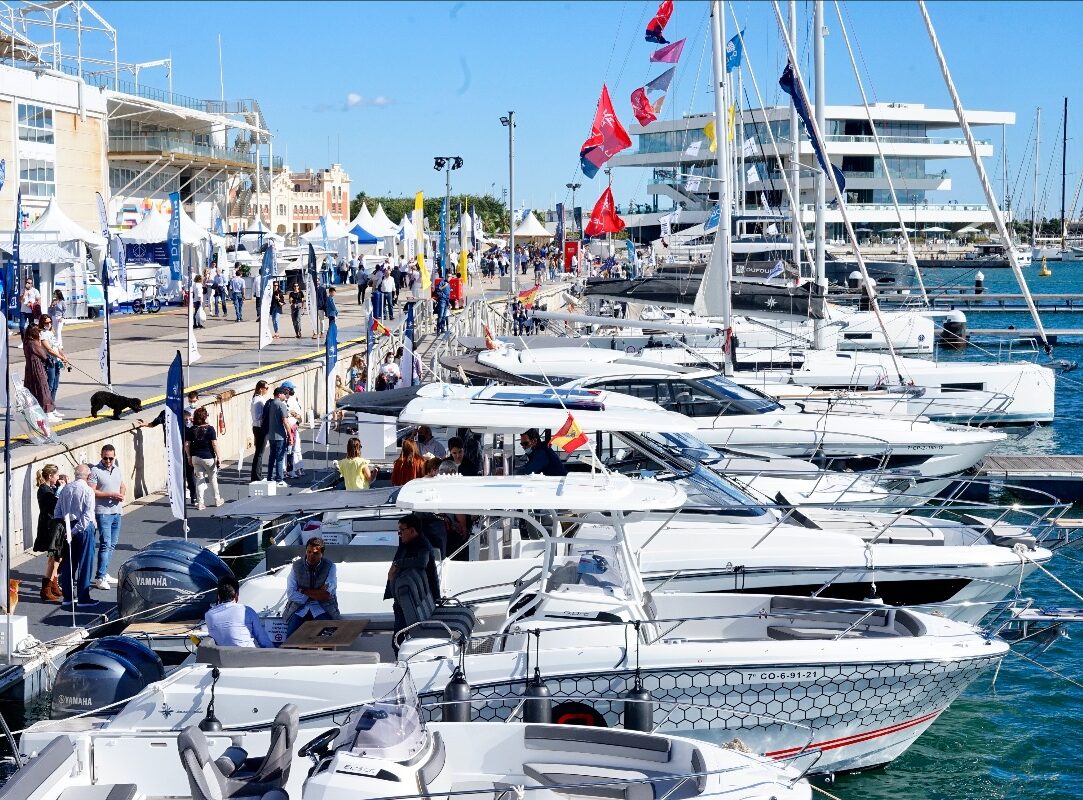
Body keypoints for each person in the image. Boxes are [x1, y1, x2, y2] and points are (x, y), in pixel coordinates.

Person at [384, 514, 440, 649]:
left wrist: (397, 564)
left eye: (401, 530)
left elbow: (422, 562)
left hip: (408, 603)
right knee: (398, 640)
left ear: (412, 530)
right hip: (402, 602)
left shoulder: (422, 544)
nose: (399, 534)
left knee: (397, 641)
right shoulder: (408, 543)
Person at [54, 464, 98, 609]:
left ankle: (68, 597)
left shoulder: (66, 488)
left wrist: (65, 528)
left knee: (69, 562)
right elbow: (87, 515)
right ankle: (83, 597)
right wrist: (74, 530)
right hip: (83, 528)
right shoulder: (88, 490)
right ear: (88, 476)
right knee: (85, 563)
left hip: (68, 525)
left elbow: (57, 511)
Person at [283, 537, 340, 638]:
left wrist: (302, 591)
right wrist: (317, 593)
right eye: (309, 552)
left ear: (322, 554)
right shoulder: (296, 566)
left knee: (328, 638)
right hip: (299, 608)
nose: (311, 556)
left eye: (315, 553)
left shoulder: (330, 566)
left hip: (322, 607)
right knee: (290, 639)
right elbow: (291, 594)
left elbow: (326, 595)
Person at [89, 444, 127, 590]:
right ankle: (99, 577)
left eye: (111, 458)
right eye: (106, 458)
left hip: (117, 511)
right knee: (105, 544)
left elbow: (122, 485)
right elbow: (92, 491)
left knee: (112, 544)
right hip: (103, 512)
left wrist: (122, 494)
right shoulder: (95, 471)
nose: (108, 461)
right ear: (101, 456)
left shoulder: (116, 469)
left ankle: (104, 573)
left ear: (114, 457)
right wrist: (110, 494)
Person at [205, 578, 273, 648]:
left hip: (223, 654)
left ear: (218, 596)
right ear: (236, 594)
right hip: (247, 654)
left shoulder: (209, 615)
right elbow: (264, 642)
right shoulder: (247, 611)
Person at [33, 464, 66, 602]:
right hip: (49, 527)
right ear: (50, 476)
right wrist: (61, 489)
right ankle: (46, 588)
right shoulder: (44, 490)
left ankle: (53, 583)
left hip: (53, 525)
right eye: (56, 475)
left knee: (58, 557)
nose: (58, 478)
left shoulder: (49, 488)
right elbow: (55, 504)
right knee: (54, 556)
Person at [186, 407, 223, 509]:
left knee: (199, 479)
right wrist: (219, 457)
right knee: (213, 478)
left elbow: (187, 444)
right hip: (208, 457)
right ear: (205, 417)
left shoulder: (191, 430)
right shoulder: (210, 429)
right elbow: (214, 444)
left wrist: (189, 456)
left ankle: (200, 503)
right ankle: (217, 500)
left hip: (195, 457)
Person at [22, 325, 58, 422]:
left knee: (33, 389)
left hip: (29, 368)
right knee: (43, 388)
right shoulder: (33, 343)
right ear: (34, 332)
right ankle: (47, 412)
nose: (39, 333)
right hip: (37, 367)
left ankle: (36, 411)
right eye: (38, 331)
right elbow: (43, 355)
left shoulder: (26, 342)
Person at [262, 385, 291, 485]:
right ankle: (279, 479)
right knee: (280, 458)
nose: (285, 396)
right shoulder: (281, 405)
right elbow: (285, 421)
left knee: (272, 457)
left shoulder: (270, 403)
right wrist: (290, 435)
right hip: (280, 435)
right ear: (279, 394)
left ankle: (269, 477)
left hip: (271, 435)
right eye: (284, 394)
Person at [39, 315, 67, 405]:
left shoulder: (50, 332)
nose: (49, 324)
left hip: (56, 361)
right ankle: (46, 406)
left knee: (55, 386)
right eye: (46, 323)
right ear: (42, 323)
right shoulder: (42, 333)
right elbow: (49, 350)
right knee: (50, 386)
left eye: (50, 322)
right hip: (49, 362)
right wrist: (61, 357)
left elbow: (57, 346)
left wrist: (63, 356)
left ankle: (52, 405)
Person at [250, 380, 270, 482]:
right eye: (266, 388)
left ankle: (258, 474)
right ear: (261, 389)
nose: (267, 390)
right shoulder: (257, 400)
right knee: (259, 453)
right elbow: (257, 416)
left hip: (259, 427)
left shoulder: (259, 399)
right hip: (259, 427)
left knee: (260, 452)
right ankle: (256, 476)